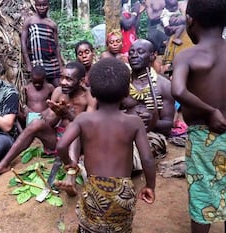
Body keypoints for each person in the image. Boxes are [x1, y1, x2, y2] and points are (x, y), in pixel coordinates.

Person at [56, 58, 156, 232]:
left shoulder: (83, 119)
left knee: (88, 226)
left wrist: (69, 164)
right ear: (127, 92)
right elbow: (147, 158)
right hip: (122, 192)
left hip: (94, 188)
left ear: (92, 92)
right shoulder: (134, 122)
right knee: (121, 228)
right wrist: (150, 186)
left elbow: (62, 146)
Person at [171, 0, 226, 232]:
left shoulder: (187, 56)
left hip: (204, 138)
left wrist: (210, 111)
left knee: (202, 194)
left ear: (189, 20)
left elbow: (179, 90)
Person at [0, 62, 97, 181]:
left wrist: (67, 114)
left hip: (80, 143)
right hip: (58, 141)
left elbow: (88, 128)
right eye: (62, 77)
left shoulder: (89, 96)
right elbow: (49, 123)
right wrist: (56, 112)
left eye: (69, 79)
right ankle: (3, 165)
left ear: (81, 81)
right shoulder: (58, 92)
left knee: (73, 126)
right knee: (36, 123)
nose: (63, 82)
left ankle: (71, 177)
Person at [124, 39, 175, 170]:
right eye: (131, 52)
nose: (134, 55)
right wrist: (125, 120)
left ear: (153, 55)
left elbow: (168, 125)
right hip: (122, 132)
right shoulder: (121, 83)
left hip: (152, 136)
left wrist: (153, 121)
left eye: (140, 52)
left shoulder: (164, 85)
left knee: (130, 155)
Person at [21, 0, 64, 87]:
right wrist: (28, 63)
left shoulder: (52, 24)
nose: (42, 7)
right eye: (39, 5)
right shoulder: (29, 21)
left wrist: (60, 65)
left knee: (58, 88)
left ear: (48, 5)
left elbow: (56, 47)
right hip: (36, 64)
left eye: (44, 5)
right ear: (35, 5)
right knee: (40, 91)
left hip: (52, 64)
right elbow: (23, 42)